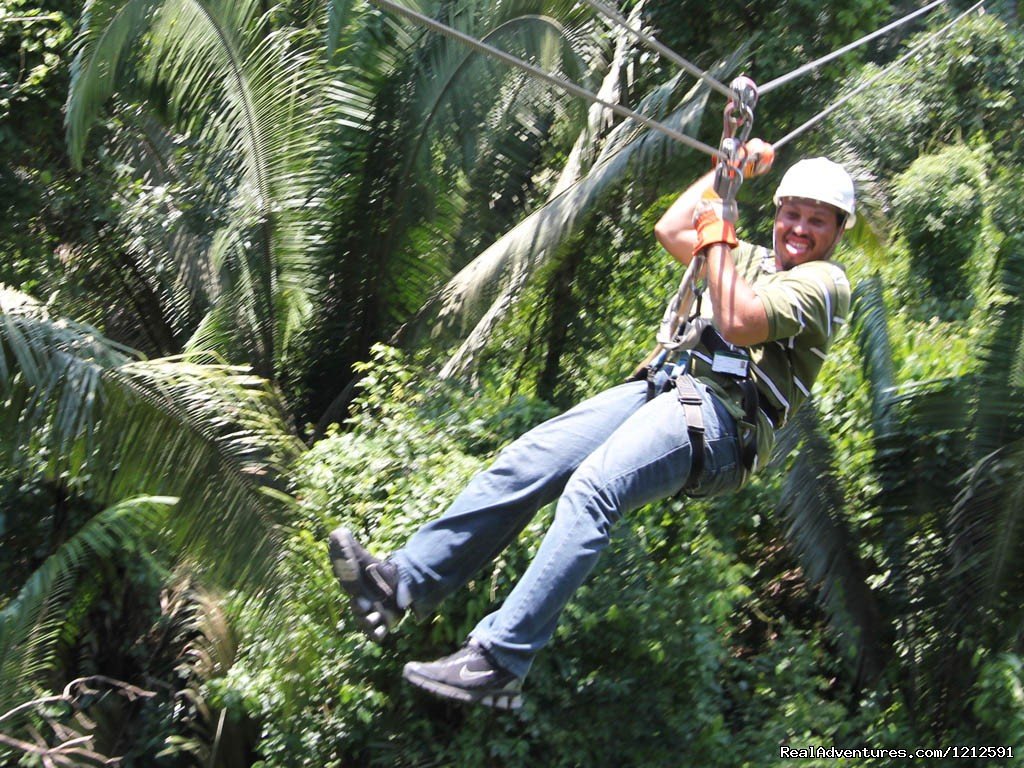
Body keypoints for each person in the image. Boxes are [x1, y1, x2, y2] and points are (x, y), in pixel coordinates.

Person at [328, 149, 854, 710]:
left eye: (816, 220)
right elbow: (673, 226)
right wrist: (730, 173)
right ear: (775, 215)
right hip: (668, 387)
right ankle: (400, 583)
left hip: (724, 424)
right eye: (791, 214)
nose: (798, 229)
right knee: (532, 458)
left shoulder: (825, 283)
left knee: (595, 487)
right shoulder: (745, 257)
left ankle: (502, 660)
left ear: (837, 231)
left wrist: (718, 229)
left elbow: (739, 320)